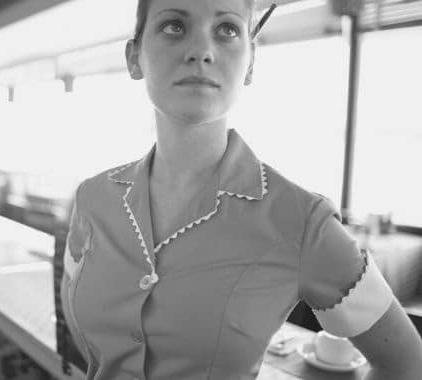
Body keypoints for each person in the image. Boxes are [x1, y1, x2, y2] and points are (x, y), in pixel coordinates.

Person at [60, 0, 422, 379]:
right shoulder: (92, 198)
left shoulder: (301, 221)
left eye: (228, 30)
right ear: (134, 57)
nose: (201, 51)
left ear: (250, 63)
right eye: (174, 26)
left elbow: (406, 363)